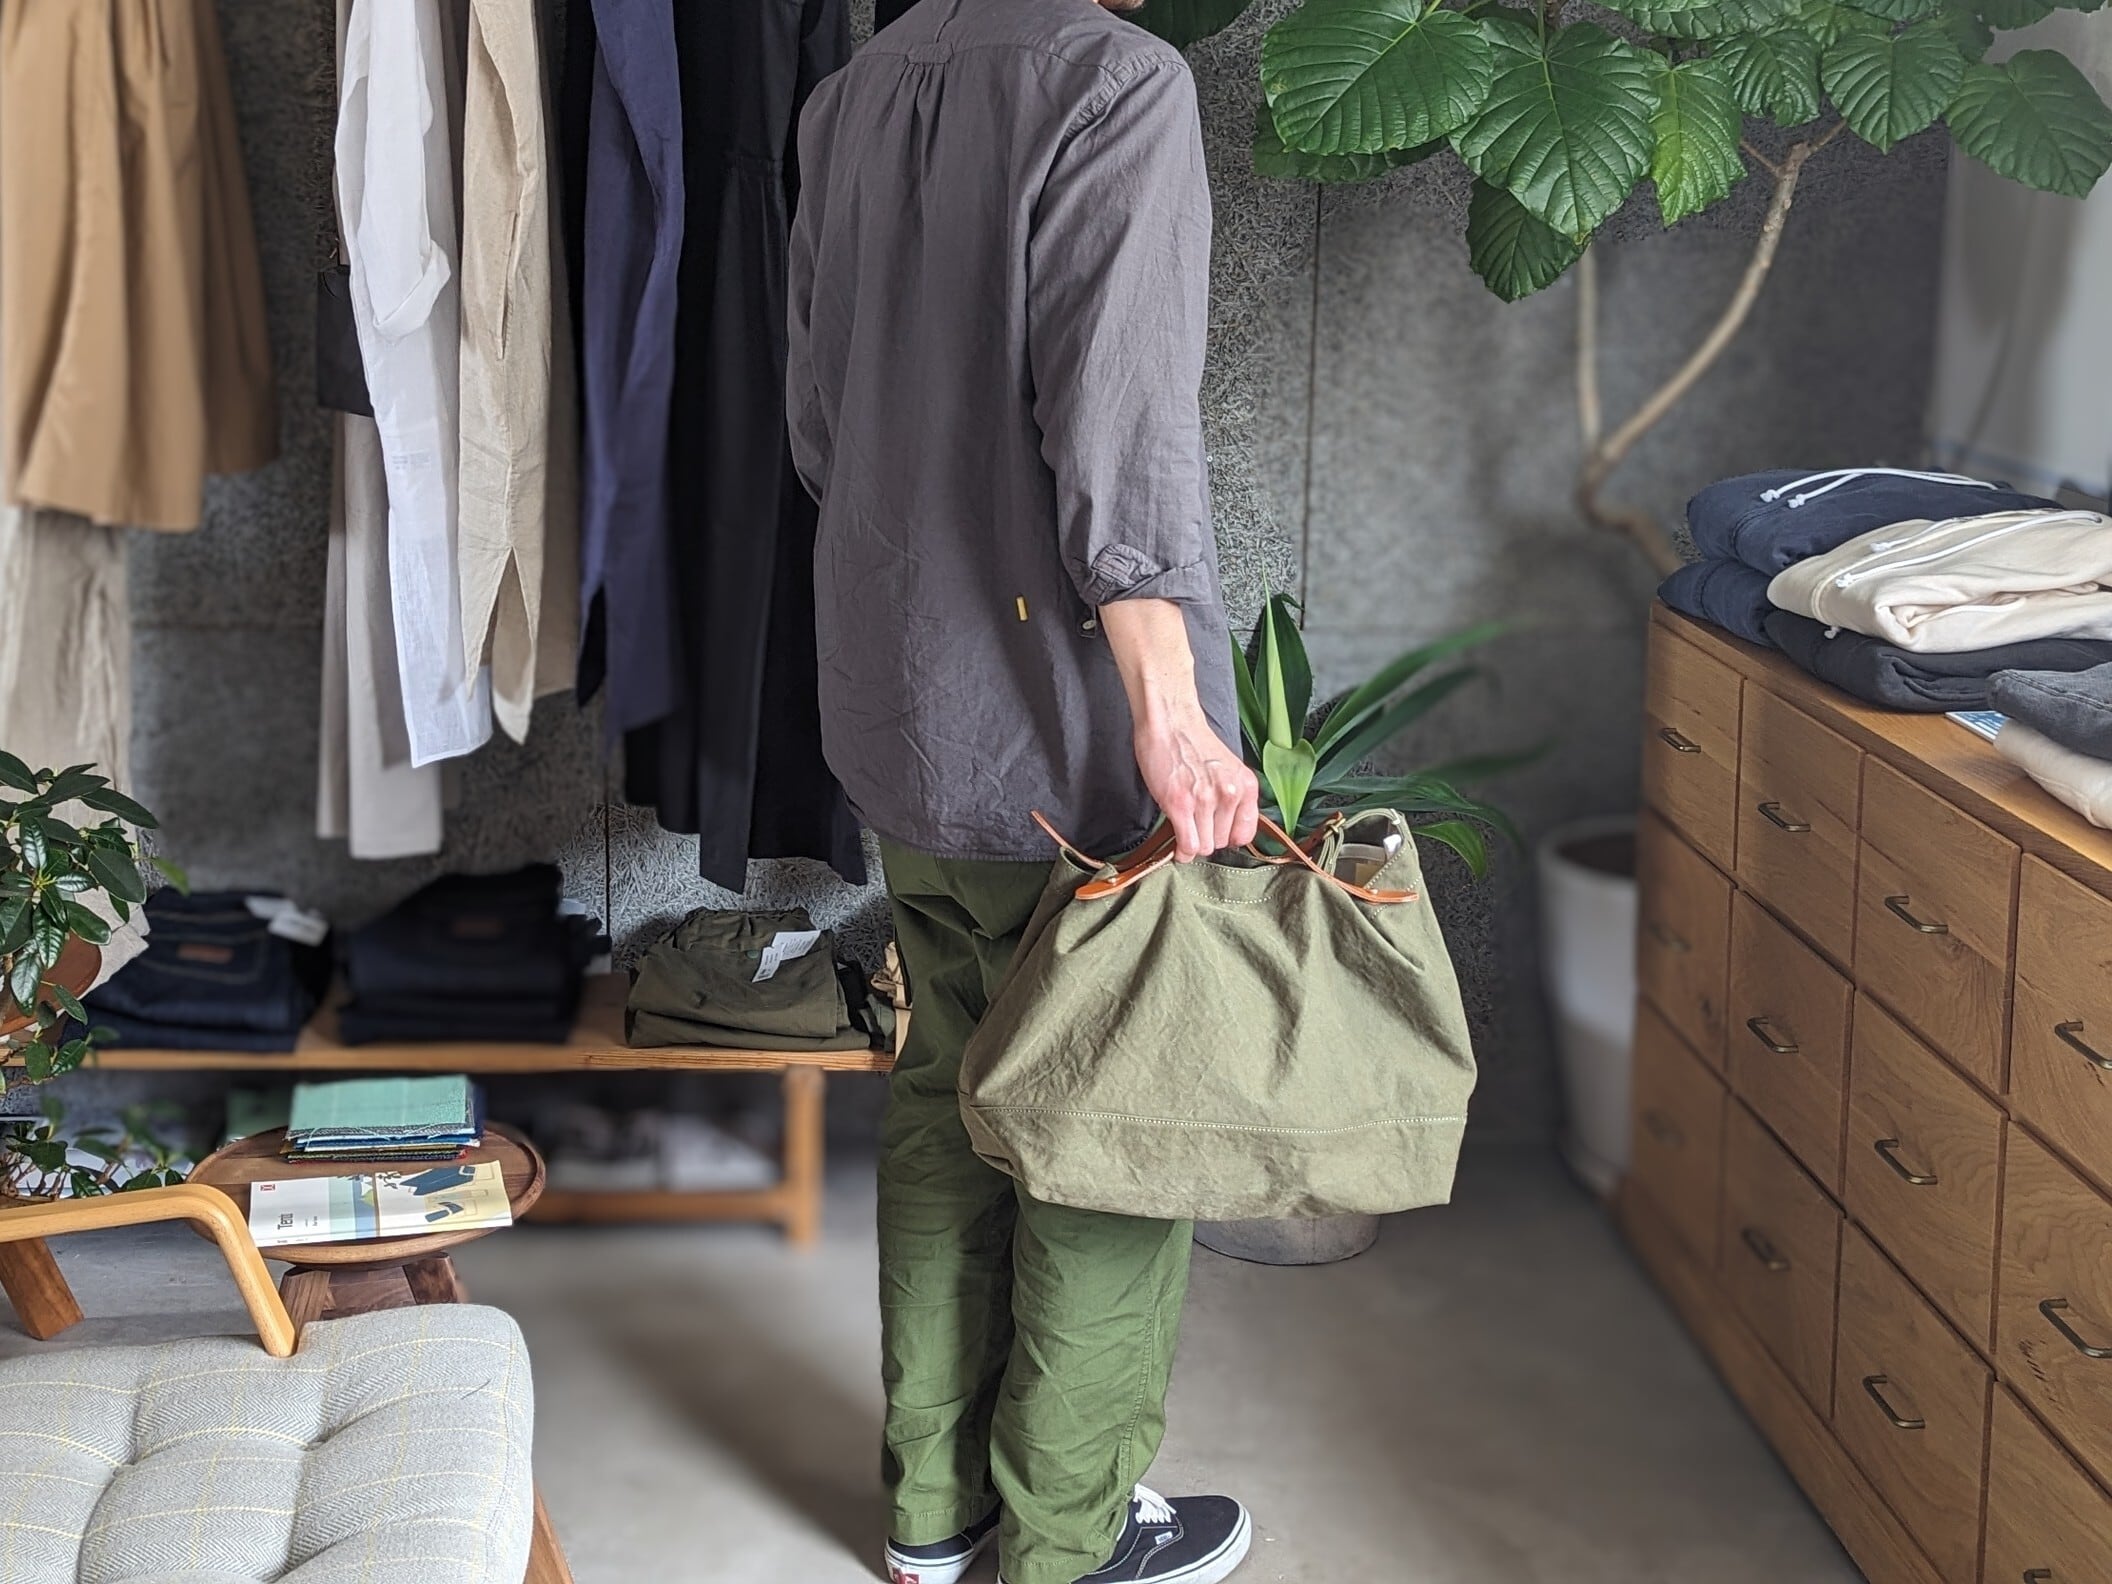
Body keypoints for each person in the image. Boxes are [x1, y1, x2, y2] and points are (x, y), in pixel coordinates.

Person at [785, 0, 1260, 1580]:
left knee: (946, 1096)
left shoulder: (855, 91)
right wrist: (1173, 716)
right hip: (1067, 725)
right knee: (1109, 1126)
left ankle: (933, 1517)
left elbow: (817, 425)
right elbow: (1123, 432)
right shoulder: (1119, 83)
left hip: (900, 696)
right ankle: (1066, 1539)